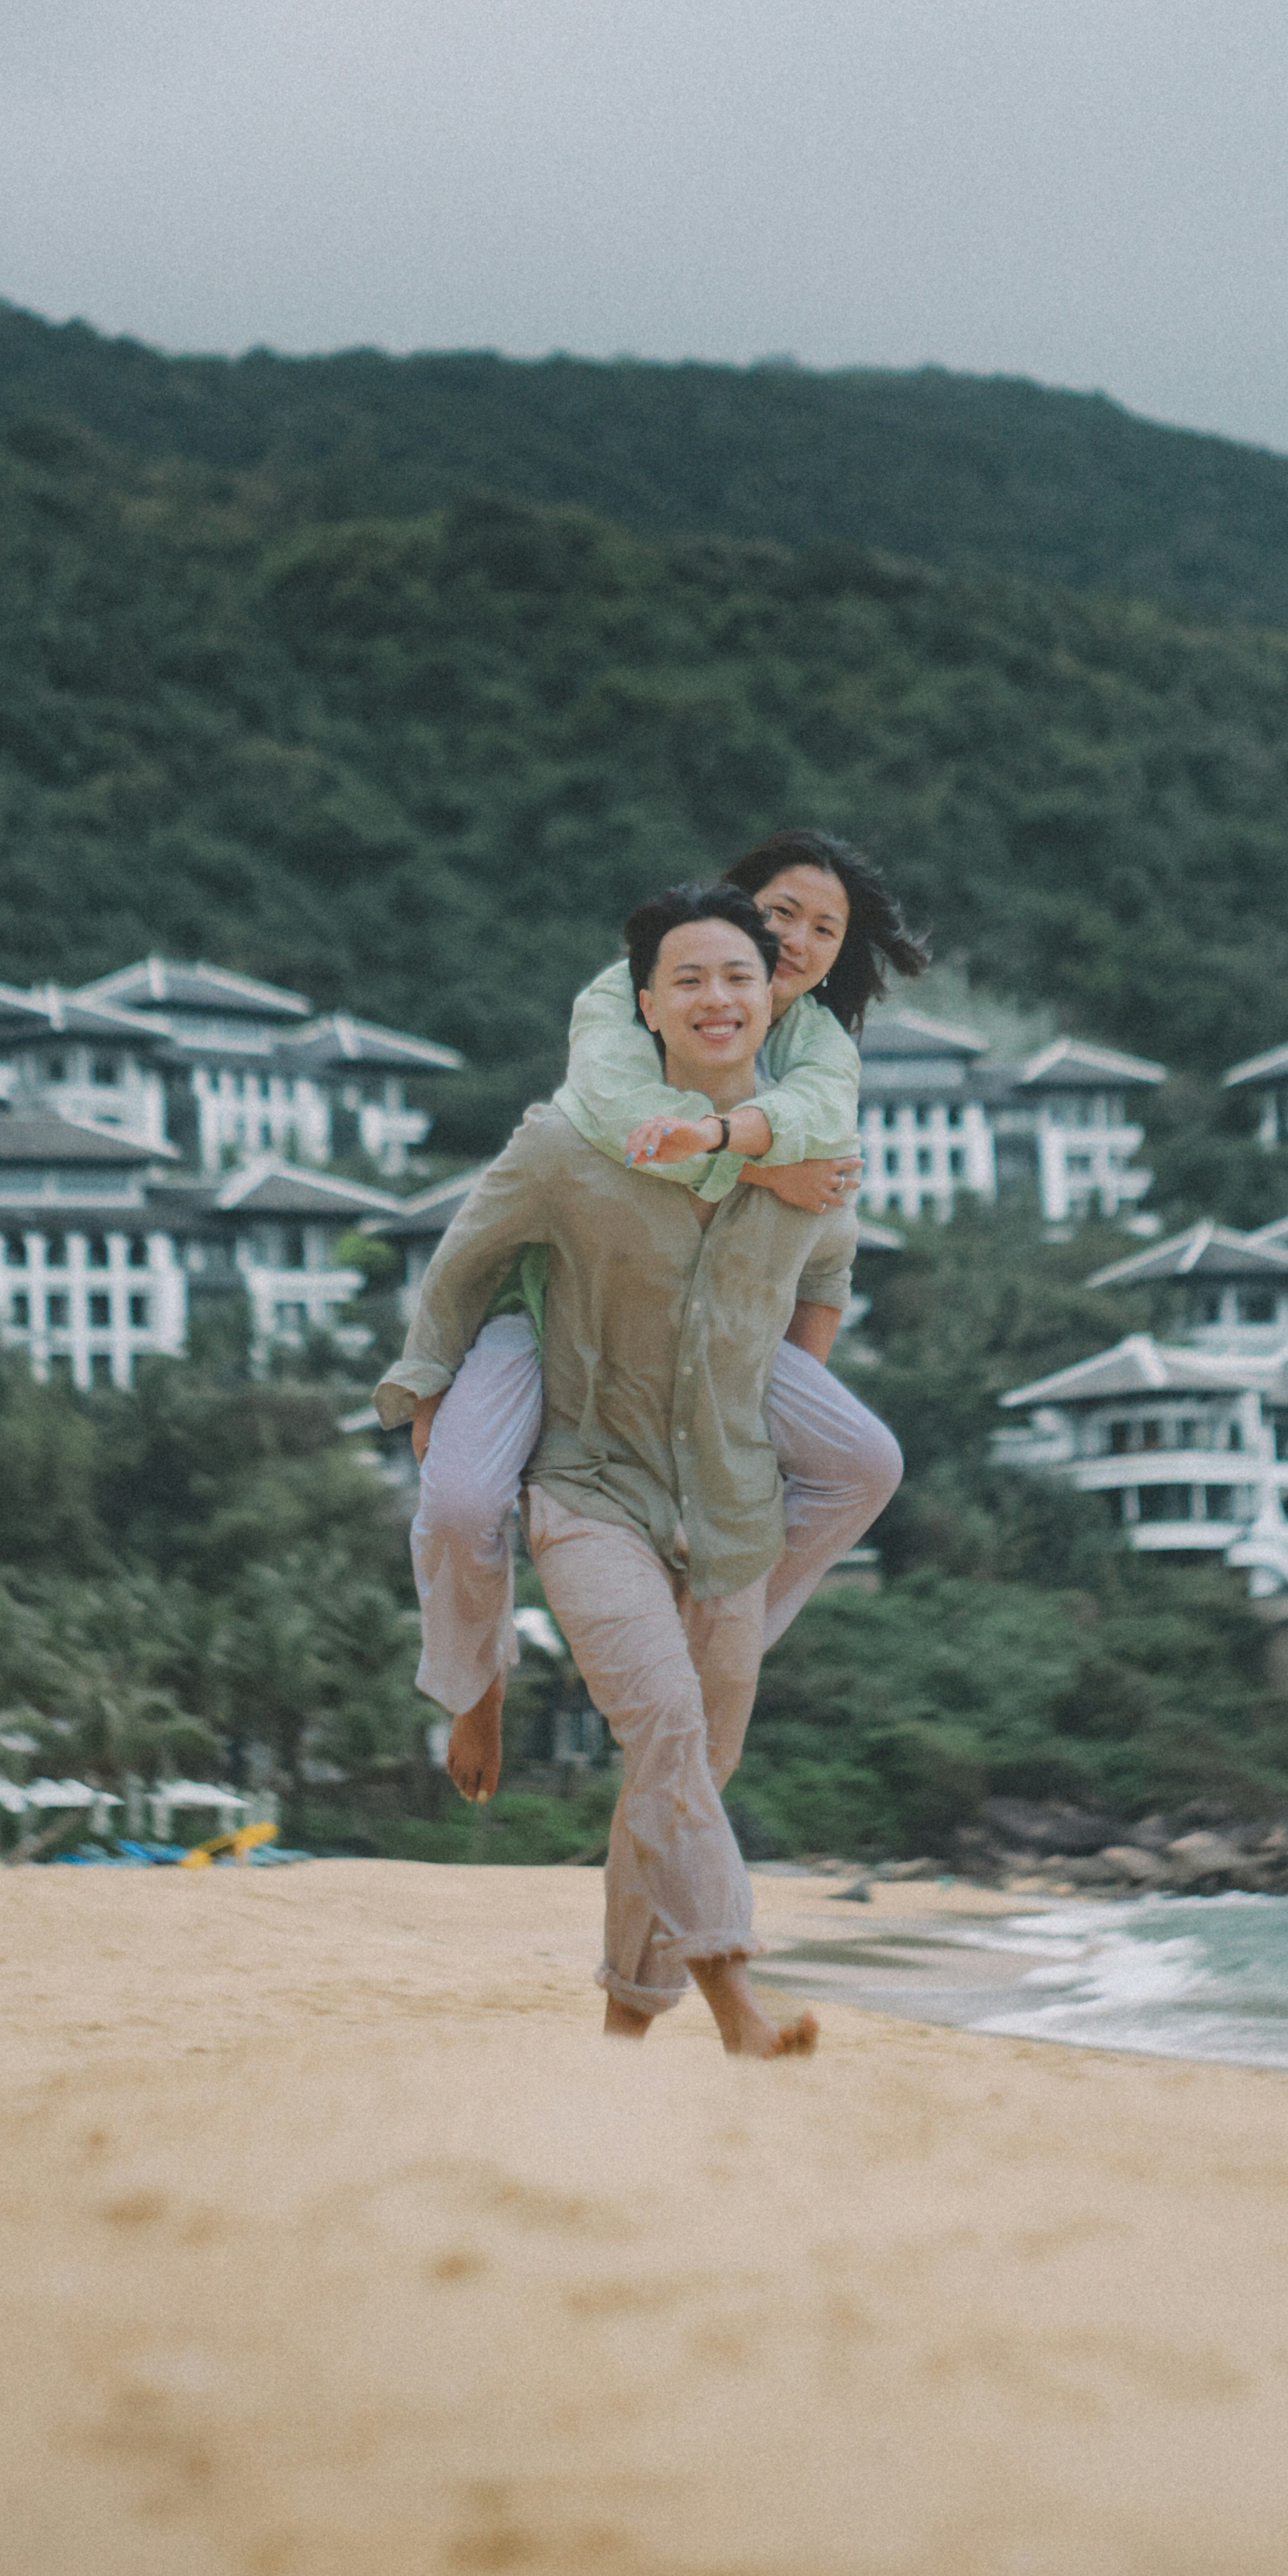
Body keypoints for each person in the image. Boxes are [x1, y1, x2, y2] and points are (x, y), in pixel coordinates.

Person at [377, 884, 858, 2053]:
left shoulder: (813, 1155)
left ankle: (623, 2022)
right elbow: (464, 1258)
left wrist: (774, 1391)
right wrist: (426, 1387)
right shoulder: (567, 1143)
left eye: (738, 977)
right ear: (644, 1005)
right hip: (589, 1489)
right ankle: (736, 2004)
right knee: (669, 1734)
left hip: (728, 1509)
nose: (716, 998)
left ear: (772, 999)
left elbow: (825, 1273)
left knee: (688, 1764)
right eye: (687, 979)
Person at [409, 829, 922, 1802]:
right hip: (561, 1296)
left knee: (866, 1463)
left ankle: (713, 1627)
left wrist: (762, 1401)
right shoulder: (628, 996)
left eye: (826, 929)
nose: (799, 940)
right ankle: (476, 1679)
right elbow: (618, 1125)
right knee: (462, 1503)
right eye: (780, 913)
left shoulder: (817, 1043)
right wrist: (761, 1162)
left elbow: (826, 1226)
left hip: (712, 1326)